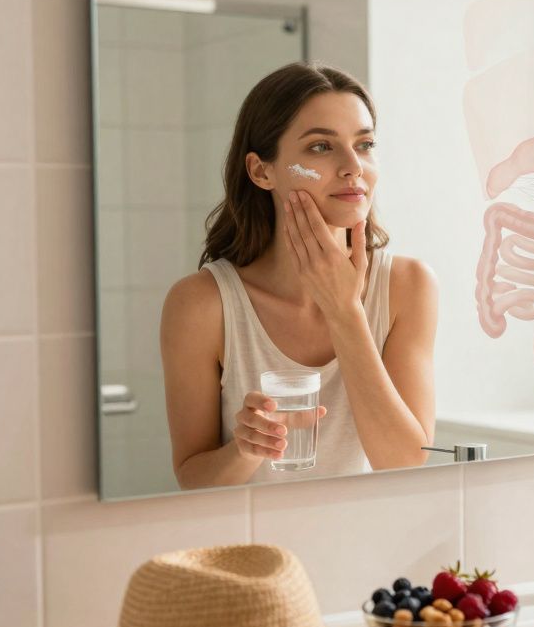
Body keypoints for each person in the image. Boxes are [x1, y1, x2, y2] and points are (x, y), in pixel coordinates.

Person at [161, 63, 438, 489]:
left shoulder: (407, 287)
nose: (353, 167)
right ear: (261, 171)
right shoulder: (202, 304)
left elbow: (403, 463)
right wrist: (247, 448)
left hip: (366, 542)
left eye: (364, 144)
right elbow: (193, 480)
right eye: (321, 148)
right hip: (252, 552)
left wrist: (344, 310)